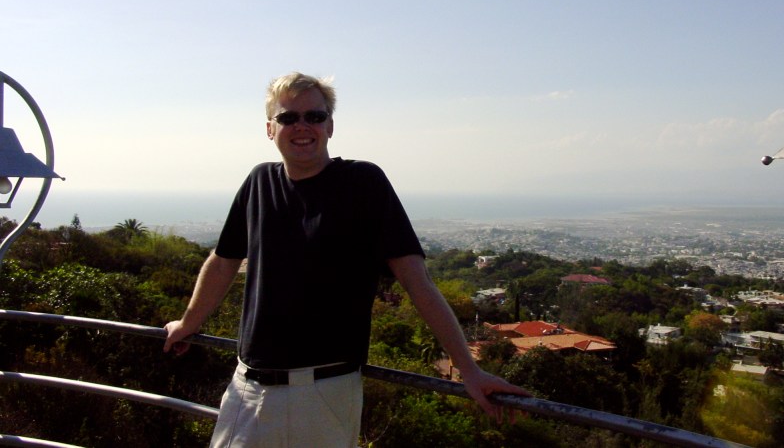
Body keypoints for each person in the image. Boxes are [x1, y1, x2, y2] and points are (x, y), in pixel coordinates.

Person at [164, 72, 529, 447]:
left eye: (315, 116)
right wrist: (188, 322)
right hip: (247, 386)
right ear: (270, 129)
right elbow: (223, 261)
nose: (302, 126)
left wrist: (467, 369)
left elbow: (416, 280)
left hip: (323, 390)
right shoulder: (259, 182)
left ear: (331, 125)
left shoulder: (362, 183)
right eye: (288, 117)